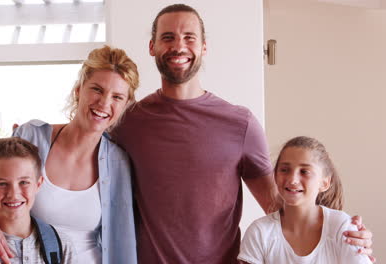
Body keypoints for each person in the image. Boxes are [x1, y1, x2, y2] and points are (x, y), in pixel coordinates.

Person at [112, 4, 374, 264]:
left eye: (189, 37)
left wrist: (341, 234)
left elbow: (283, 209)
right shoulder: (129, 122)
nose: (178, 46)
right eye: (167, 37)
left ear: (204, 47)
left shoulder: (239, 123)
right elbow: (84, 149)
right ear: (152, 47)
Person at [0, 45, 139, 264]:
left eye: (117, 97)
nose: (104, 103)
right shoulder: (31, 138)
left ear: (126, 105)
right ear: (78, 89)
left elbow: (123, 242)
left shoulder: (118, 161)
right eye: (97, 90)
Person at [238, 136, 372, 264]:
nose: (292, 180)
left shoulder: (342, 227)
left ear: (325, 183)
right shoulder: (260, 232)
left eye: (304, 172)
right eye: (285, 170)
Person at [0, 137, 76, 264]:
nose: (13, 194)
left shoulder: (61, 246)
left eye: (23, 182)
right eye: (2, 184)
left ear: (38, 184)